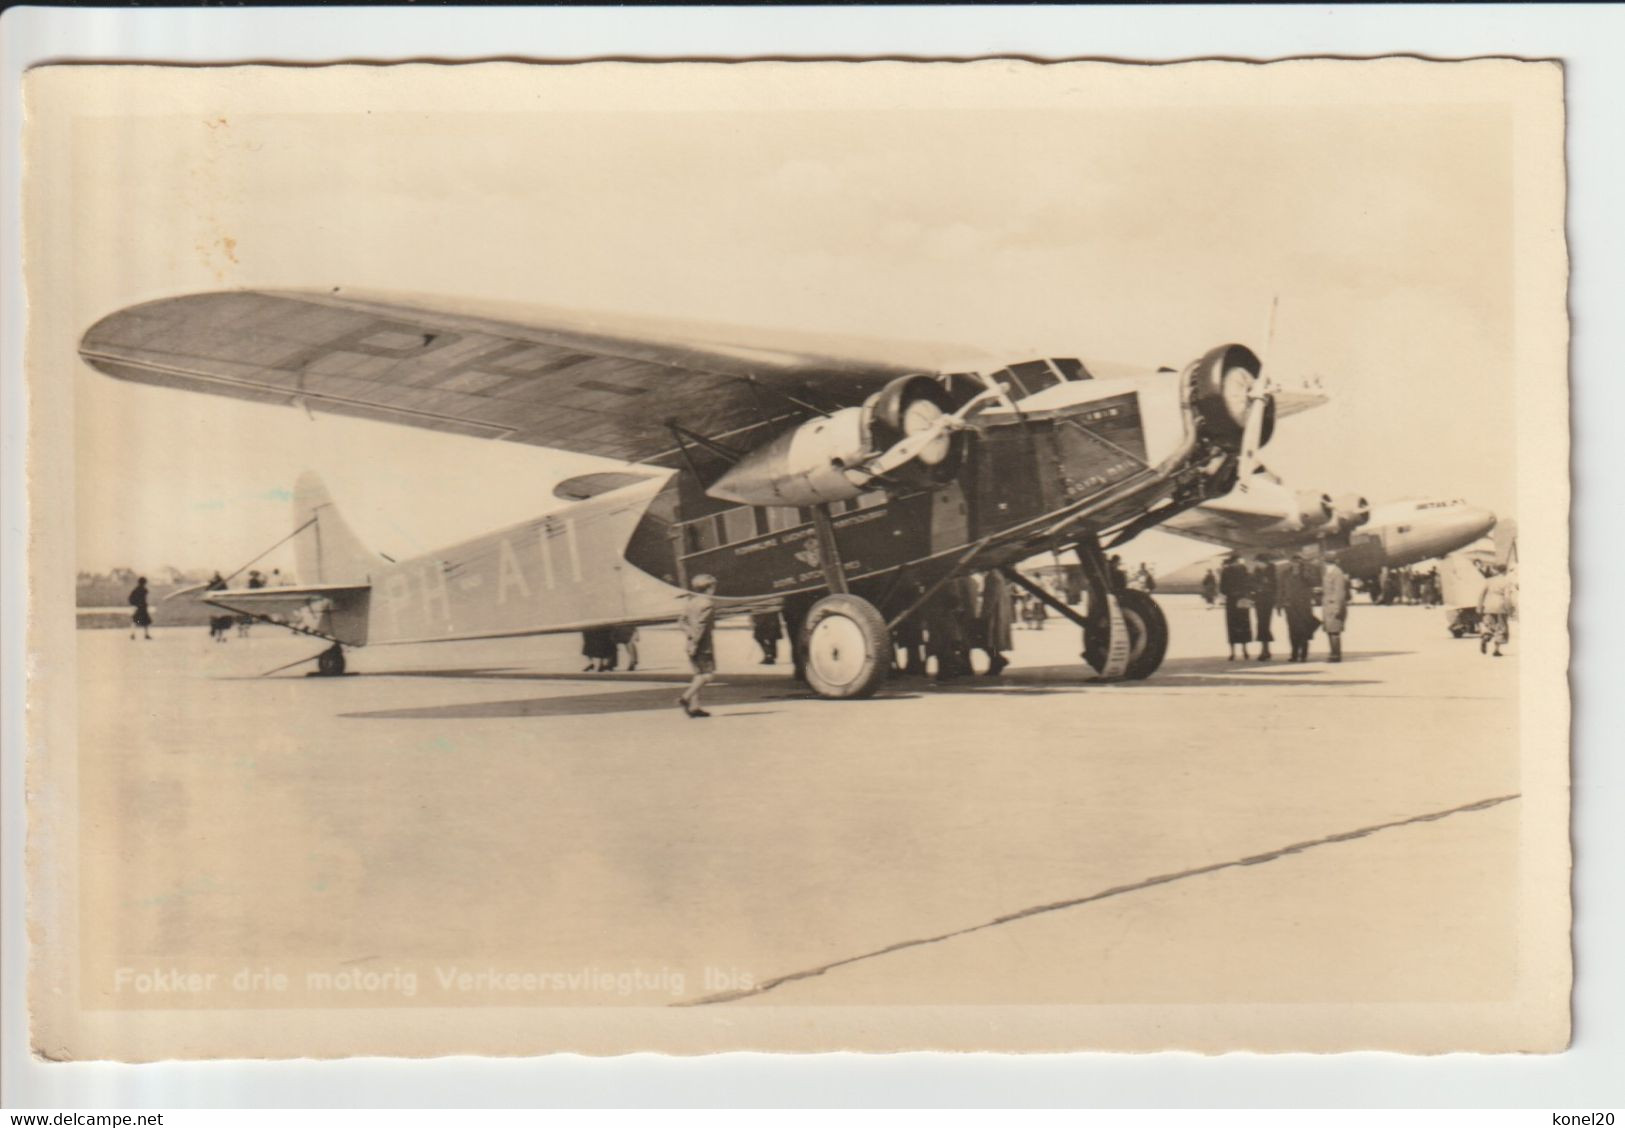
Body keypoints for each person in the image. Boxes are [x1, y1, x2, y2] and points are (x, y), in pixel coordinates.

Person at [677, 574, 718, 717]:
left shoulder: (690, 602)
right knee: (708, 675)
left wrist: (690, 636)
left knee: (698, 675)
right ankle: (685, 698)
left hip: (690, 643)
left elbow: (681, 621)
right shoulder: (708, 603)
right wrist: (695, 641)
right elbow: (701, 626)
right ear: (709, 588)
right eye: (713, 586)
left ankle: (695, 708)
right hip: (702, 644)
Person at [1279, 553, 1320, 662]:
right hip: (1290, 605)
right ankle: (1294, 653)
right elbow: (1281, 589)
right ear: (1291, 562)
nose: (1296, 564)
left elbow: (1315, 583)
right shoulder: (1285, 573)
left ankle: (1303, 654)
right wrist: (1279, 604)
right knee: (1292, 630)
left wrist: (1305, 574)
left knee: (1304, 629)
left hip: (1303, 605)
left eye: (1298, 562)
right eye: (1294, 561)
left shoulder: (1307, 572)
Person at [976, 570, 1013, 676]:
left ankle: (997, 660)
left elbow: (990, 599)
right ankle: (996, 661)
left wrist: (984, 614)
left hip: (993, 614)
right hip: (998, 612)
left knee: (987, 640)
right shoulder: (997, 576)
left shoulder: (992, 577)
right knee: (991, 641)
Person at [1218, 554, 1253, 660]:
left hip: (1232, 602)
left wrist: (1232, 593)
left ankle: (1233, 652)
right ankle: (1245, 650)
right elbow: (1249, 585)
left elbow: (1222, 588)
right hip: (1241, 600)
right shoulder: (1244, 570)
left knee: (1232, 626)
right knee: (1243, 625)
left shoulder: (1226, 571)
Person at [1478, 563, 1512, 657]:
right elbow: (1507, 597)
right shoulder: (1506, 582)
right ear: (1505, 571)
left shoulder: (1489, 581)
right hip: (1501, 606)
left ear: (1496, 570)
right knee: (1501, 628)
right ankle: (1496, 650)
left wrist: (1479, 606)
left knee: (1489, 625)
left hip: (1488, 605)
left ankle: (1485, 637)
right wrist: (1509, 609)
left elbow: (1482, 594)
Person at [1321, 557, 1351, 663]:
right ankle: (1333, 653)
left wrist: (1337, 608)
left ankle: (1336, 655)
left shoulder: (1337, 573)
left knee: (1334, 631)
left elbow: (1339, 592)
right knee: (1330, 631)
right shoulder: (1329, 572)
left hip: (1334, 606)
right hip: (1329, 606)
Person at [1250, 554, 1278, 661]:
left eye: (1258, 562)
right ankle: (1265, 650)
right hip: (1259, 601)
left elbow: (1274, 586)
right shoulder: (1257, 571)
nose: (1257, 564)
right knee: (1262, 624)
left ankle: (1265, 650)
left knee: (1264, 624)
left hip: (1267, 601)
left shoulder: (1271, 571)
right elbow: (1252, 583)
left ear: (1263, 562)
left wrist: (1263, 587)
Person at [128, 576, 152, 640]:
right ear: (144, 583)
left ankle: (132, 634)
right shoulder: (145, 590)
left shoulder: (135, 590)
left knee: (135, 621)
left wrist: (134, 605)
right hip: (143, 608)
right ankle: (146, 634)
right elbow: (145, 599)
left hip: (138, 607)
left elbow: (130, 598)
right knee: (146, 622)